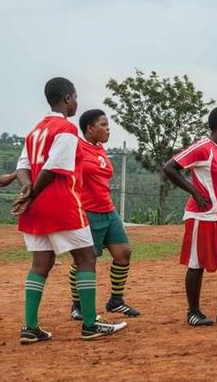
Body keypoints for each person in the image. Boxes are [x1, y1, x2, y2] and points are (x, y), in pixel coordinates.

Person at [13, 77, 126, 343]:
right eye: (75, 97)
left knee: (40, 263)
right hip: (60, 203)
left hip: (36, 209)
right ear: (67, 98)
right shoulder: (65, 129)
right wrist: (35, 193)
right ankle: (90, 323)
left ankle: (30, 327)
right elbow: (54, 168)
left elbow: (23, 168)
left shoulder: (35, 131)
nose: (77, 102)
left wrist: (28, 192)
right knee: (86, 258)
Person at [162, 106, 217, 326]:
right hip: (203, 217)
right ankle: (193, 312)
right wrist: (194, 191)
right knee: (197, 264)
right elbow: (169, 167)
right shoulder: (203, 147)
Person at [68, 109, 140, 321]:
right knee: (84, 261)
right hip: (87, 212)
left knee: (123, 254)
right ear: (89, 129)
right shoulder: (77, 148)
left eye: (108, 125)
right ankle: (77, 305)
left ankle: (116, 301)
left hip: (108, 211)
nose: (108, 129)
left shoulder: (100, 149)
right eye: (103, 125)